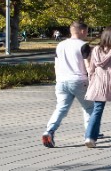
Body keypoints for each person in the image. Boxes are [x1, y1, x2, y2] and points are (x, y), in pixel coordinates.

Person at [41, 20, 93, 148]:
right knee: (89, 108)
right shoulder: (84, 45)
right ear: (81, 31)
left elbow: (56, 64)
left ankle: (49, 131)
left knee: (61, 108)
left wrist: (58, 79)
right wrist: (92, 79)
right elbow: (88, 65)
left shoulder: (60, 45)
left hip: (62, 81)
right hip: (79, 80)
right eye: (86, 31)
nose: (87, 33)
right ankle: (90, 134)